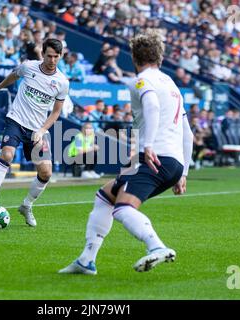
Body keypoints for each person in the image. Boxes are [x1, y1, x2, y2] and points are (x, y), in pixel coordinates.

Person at [59, 30, 193, 275]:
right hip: (172, 161)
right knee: (104, 196)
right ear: (160, 57)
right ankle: (86, 260)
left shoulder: (141, 81)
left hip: (153, 157)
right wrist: (183, 172)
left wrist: (149, 144)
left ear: (133, 57)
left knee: (123, 208)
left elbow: (151, 105)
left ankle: (156, 247)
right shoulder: (172, 84)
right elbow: (189, 133)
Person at [0, 38, 69, 227]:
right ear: (43, 54)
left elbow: (56, 112)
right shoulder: (29, 67)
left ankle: (26, 205)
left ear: (60, 56)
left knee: (46, 172)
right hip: (16, 119)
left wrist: (42, 130)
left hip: (37, 129)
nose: (52, 60)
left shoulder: (62, 82)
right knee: (7, 154)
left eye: (56, 57)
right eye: (49, 56)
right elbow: (13, 76)